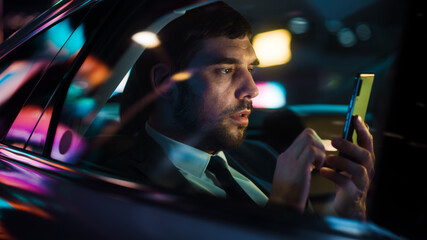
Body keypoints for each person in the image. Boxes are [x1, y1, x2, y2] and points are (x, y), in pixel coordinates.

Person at [108, 1, 375, 221]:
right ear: (166, 83)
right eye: (225, 70)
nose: (251, 89)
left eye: (251, 69)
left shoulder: (265, 157)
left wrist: (347, 214)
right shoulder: (121, 186)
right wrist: (282, 212)